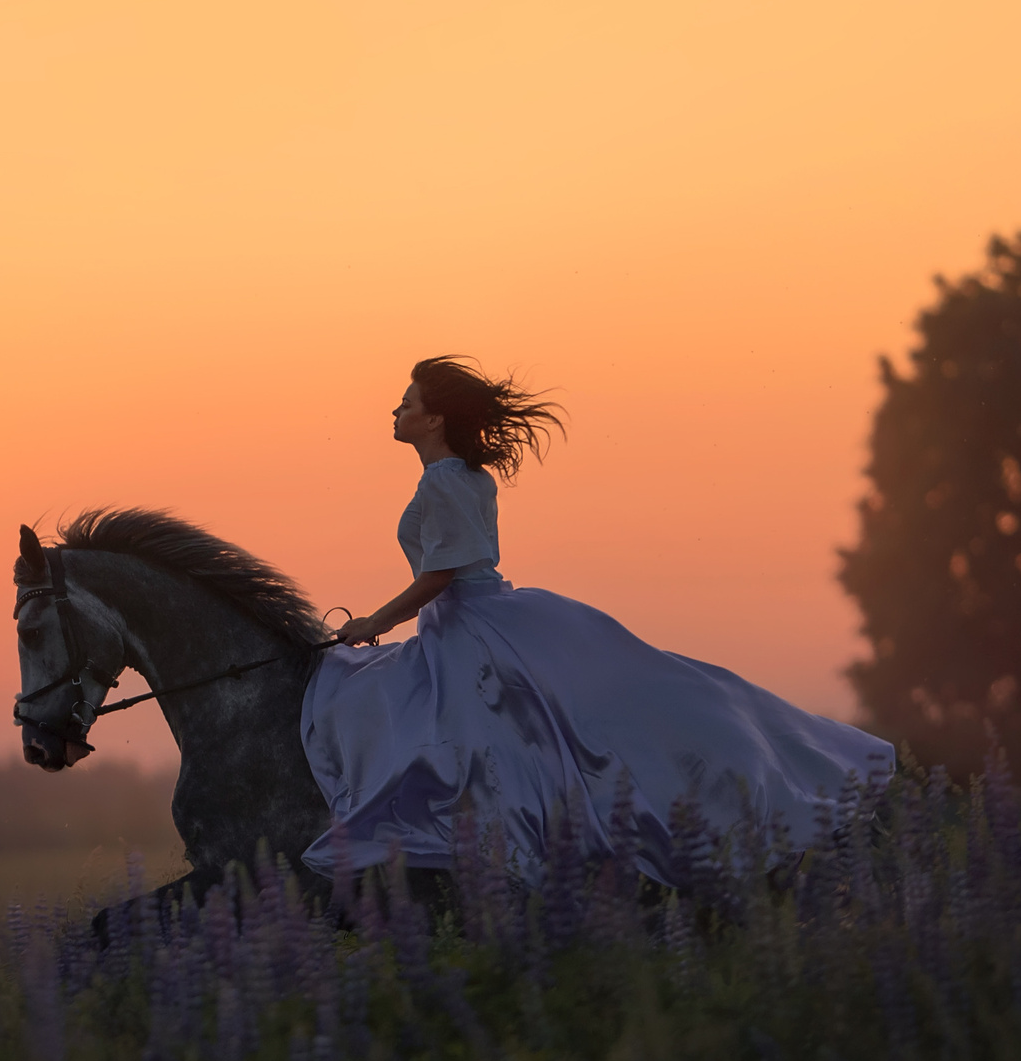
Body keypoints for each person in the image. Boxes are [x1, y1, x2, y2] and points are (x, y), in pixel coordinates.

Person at [305, 356, 895, 886]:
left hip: (471, 627)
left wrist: (373, 623)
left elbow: (444, 575)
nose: (396, 409)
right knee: (573, 727)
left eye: (407, 402)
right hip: (492, 615)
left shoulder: (441, 483)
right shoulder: (470, 477)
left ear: (433, 421)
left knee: (453, 739)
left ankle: (498, 860)